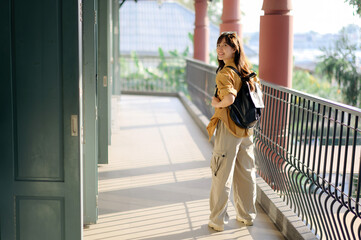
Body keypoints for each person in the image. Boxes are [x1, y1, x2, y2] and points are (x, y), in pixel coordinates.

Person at [206, 32, 258, 231]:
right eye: (218, 45)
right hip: (246, 129)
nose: (219, 49)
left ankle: (217, 220)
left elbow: (229, 99)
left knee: (221, 174)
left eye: (224, 46)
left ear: (234, 49)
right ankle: (247, 215)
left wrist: (216, 102)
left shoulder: (224, 73)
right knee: (246, 172)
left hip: (230, 128)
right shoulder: (246, 71)